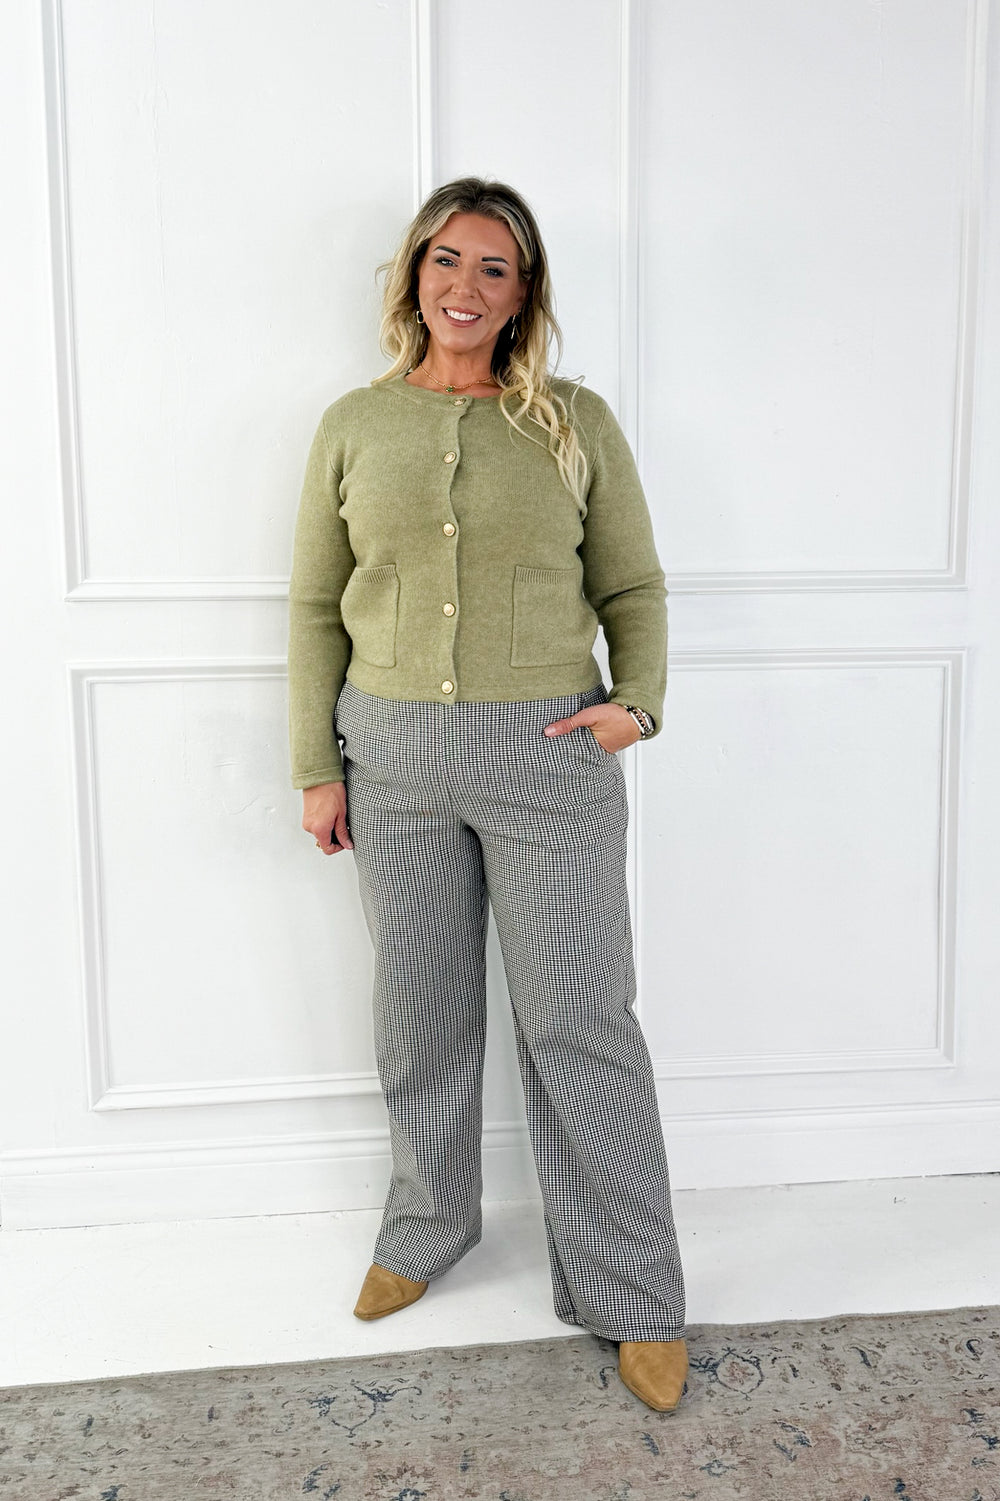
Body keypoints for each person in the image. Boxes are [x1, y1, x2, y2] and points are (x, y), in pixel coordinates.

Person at [286, 177, 688, 1413]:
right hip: (392, 759)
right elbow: (314, 606)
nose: (464, 286)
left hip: (547, 756)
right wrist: (316, 765)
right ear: (414, 276)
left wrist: (639, 703)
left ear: (523, 294)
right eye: (445, 261)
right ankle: (425, 1229)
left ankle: (633, 1291)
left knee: (580, 1020)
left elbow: (633, 586)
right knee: (420, 1014)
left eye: (493, 268)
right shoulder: (355, 423)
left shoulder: (573, 421)